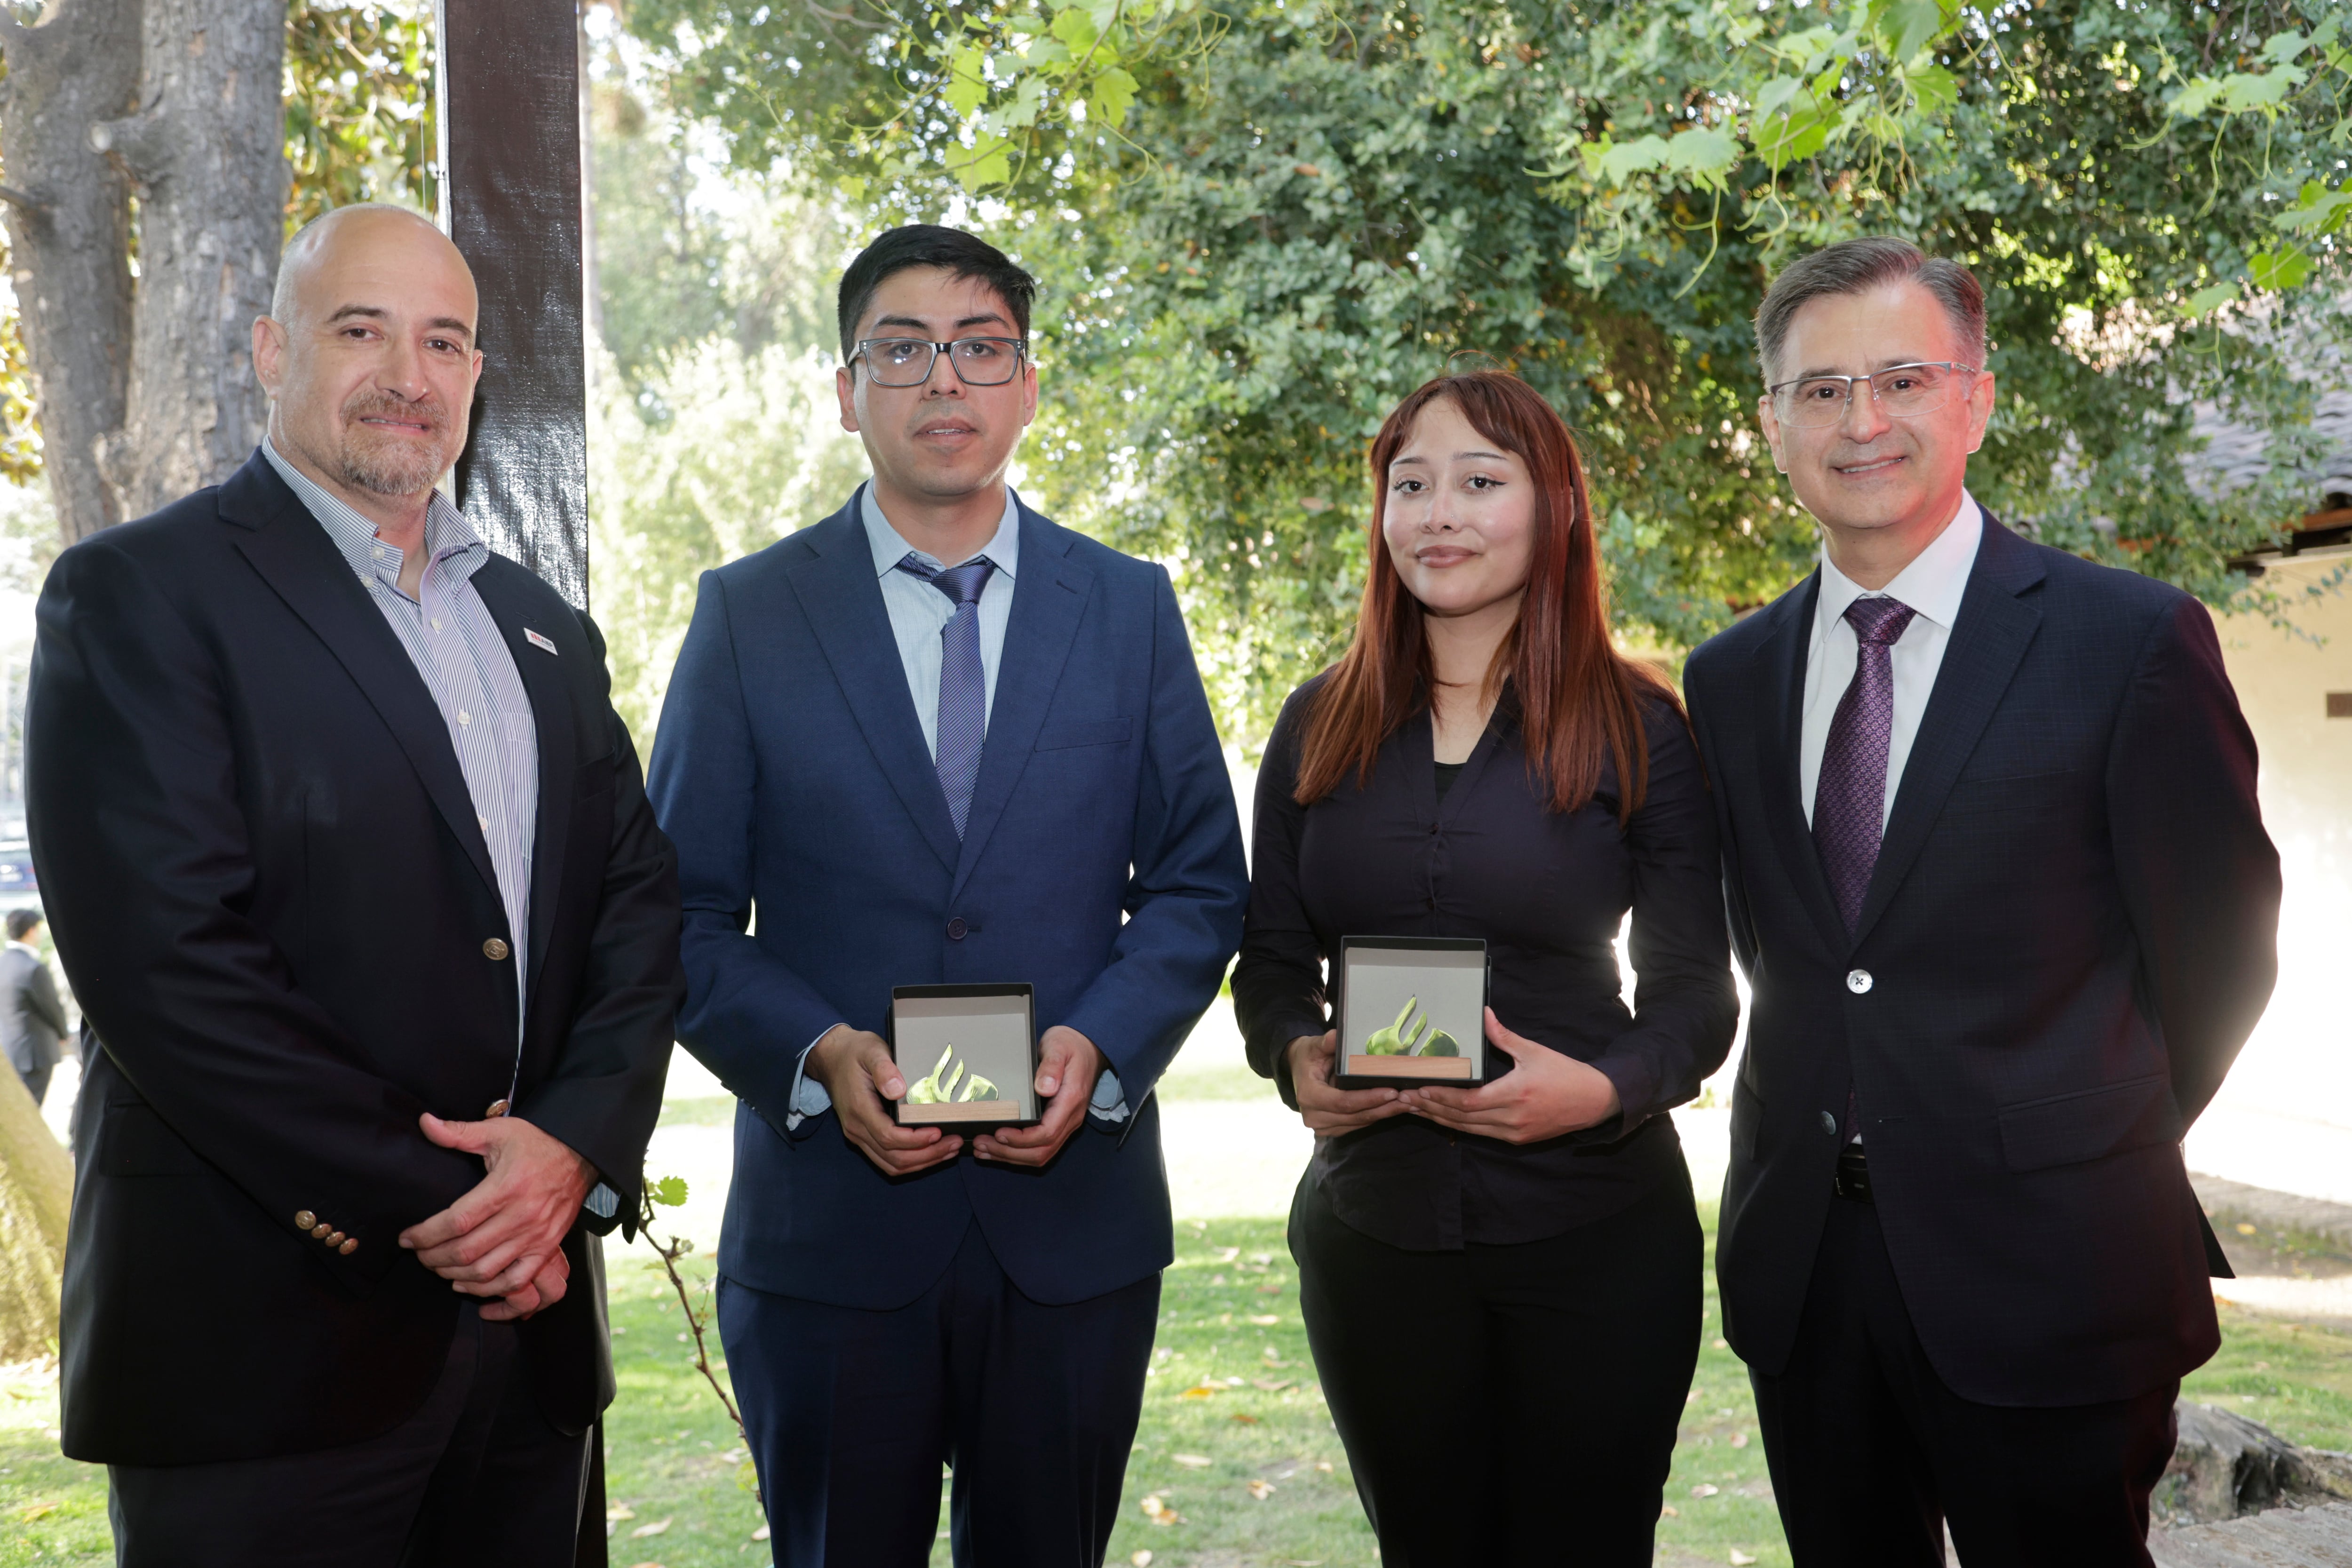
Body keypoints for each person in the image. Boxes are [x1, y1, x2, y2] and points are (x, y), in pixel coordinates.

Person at [26, 203, 683, 1566]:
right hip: (259, 1354)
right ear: (274, 350)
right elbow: (169, 967)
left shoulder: (542, 630)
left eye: (444, 341)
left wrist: (570, 1149)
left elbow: (633, 912)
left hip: (528, 1348)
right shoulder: (138, 594)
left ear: (476, 376)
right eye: (361, 330)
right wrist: (452, 1205)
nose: (408, 374)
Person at [646, 224, 1248, 1567]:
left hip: (1072, 1231)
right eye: (903, 349)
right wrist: (817, 1051)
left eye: (981, 349)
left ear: (1027, 387)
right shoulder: (748, 615)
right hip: (830, 1234)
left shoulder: (1130, 608)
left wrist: (1104, 1048)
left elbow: (1201, 883)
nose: (943, 380)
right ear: (845, 388)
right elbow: (678, 914)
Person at [1682, 237, 2280, 1566]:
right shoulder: (1727, 677)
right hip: (1809, 1277)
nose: (1862, 421)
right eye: (1821, 389)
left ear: (1977, 400)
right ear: (1773, 424)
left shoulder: (2128, 642)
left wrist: (2070, 1132)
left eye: (1902, 378)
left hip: (2058, 1266)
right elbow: (1783, 953)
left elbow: (2224, 953)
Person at [1232, 370, 1740, 1567]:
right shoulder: (1315, 721)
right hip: (1375, 1234)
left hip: (1596, 1233)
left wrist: (1604, 1091)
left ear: (1554, 506)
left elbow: (1695, 995)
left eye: (1478, 480)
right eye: (1410, 485)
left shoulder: (1641, 726)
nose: (1438, 514)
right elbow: (1270, 961)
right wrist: (1293, 1055)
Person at [0, 909, 68, 1107]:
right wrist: (64, 1034)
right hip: (36, 1054)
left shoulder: (3, 963)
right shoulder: (33, 967)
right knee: (30, 1110)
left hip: (9, 1049)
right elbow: (52, 1008)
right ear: (31, 931)